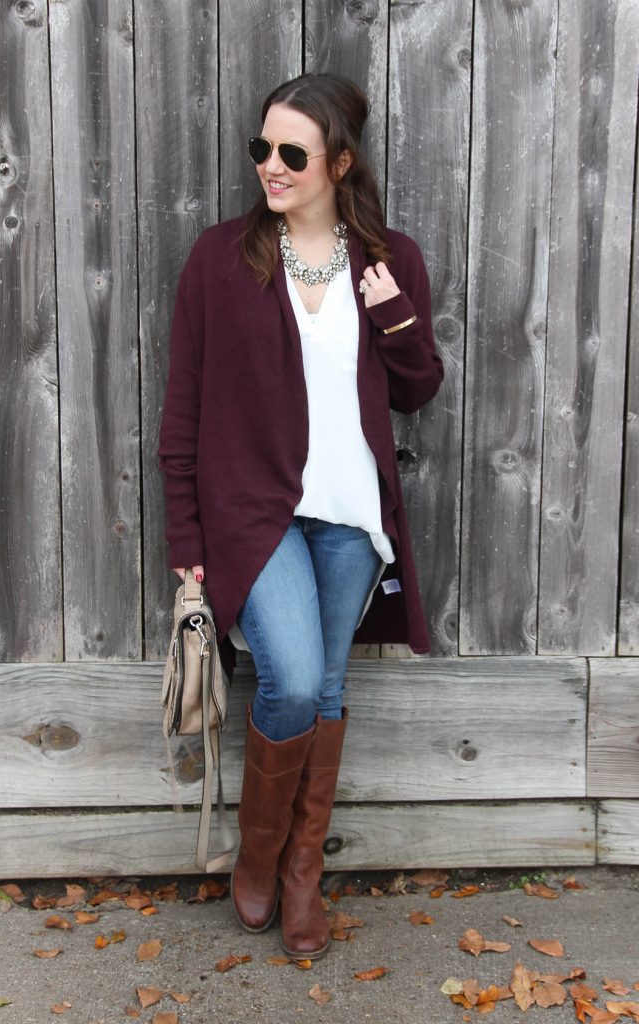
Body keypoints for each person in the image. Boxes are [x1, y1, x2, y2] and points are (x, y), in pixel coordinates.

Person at [158, 72, 443, 960]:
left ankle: (300, 876)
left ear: (340, 163)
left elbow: (419, 390)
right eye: (261, 149)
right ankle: (258, 854)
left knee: (325, 687)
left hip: (352, 516)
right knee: (288, 677)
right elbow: (184, 410)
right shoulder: (220, 258)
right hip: (255, 516)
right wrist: (185, 543)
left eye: (291, 154)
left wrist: (392, 316)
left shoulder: (387, 257)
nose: (269, 168)